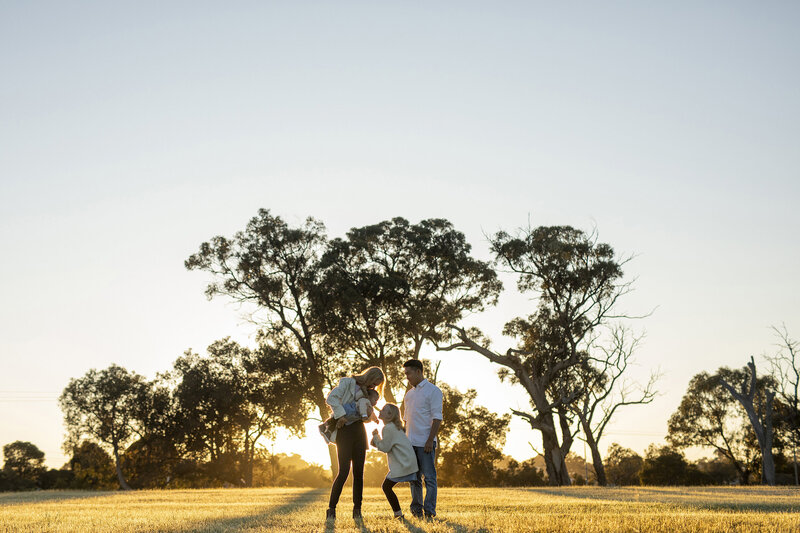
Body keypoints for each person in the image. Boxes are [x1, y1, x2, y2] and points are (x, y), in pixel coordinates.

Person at [324, 366, 385, 521]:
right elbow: (331, 399)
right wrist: (341, 415)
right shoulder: (347, 383)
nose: (374, 387)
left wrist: (369, 415)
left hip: (359, 431)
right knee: (344, 471)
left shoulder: (367, 392)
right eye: (374, 382)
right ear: (370, 376)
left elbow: (365, 415)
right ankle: (331, 509)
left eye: (376, 385)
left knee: (359, 473)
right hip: (344, 431)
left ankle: (357, 510)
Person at [402, 359, 443, 519]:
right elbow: (406, 421)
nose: (407, 377)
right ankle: (416, 511)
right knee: (414, 479)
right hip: (410, 444)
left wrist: (429, 440)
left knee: (430, 479)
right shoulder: (409, 395)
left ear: (418, 371)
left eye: (409, 373)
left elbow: (437, 418)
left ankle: (429, 511)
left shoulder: (434, 391)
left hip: (425, 443)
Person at [370, 403, 419, 521]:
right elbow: (387, 445)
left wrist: (375, 436)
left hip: (403, 464)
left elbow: (385, 448)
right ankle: (410, 511)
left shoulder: (388, 428)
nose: (380, 411)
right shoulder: (394, 427)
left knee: (386, 487)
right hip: (408, 463)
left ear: (390, 415)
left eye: (383, 410)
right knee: (411, 485)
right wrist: (377, 441)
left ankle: (398, 514)